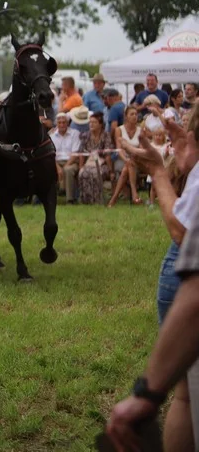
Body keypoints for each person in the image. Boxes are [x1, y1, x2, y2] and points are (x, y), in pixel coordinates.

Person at [106, 113, 199, 452]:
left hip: (185, 275)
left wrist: (160, 171)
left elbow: (182, 233)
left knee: (188, 393)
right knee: (188, 393)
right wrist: (186, 159)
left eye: (190, 126)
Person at [109, 105, 144, 207]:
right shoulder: (119, 130)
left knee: (127, 167)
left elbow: (141, 148)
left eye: (136, 114)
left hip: (137, 158)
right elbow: (119, 149)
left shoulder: (140, 130)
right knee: (128, 166)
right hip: (122, 159)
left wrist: (132, 157)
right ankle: (134, 195)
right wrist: (126, 159)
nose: (134, 116)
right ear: (126, 116)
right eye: (131, 114)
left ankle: (114, 199)